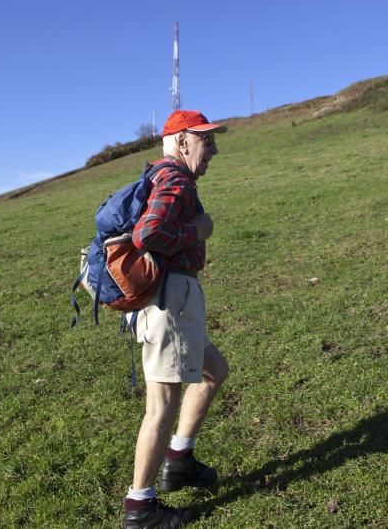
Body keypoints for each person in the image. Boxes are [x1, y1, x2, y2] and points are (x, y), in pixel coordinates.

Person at [121, 110, 230, 529]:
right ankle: (140, 508)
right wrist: (198, 231)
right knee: (160, 405)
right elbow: (148, 234)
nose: (215, 149)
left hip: (177, 299)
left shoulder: (166, 177)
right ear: (183, 141)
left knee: (214, 370)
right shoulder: (175, 179)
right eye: (207, 140)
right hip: (169, 302)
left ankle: (179, 460)